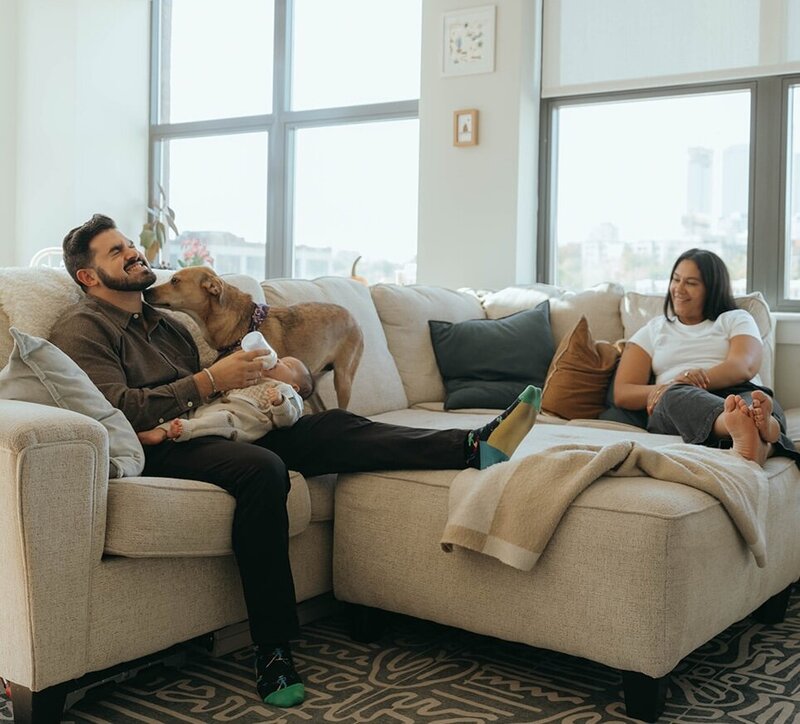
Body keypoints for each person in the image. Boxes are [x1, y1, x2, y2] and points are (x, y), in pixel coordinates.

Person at [50, 214, 542, 709]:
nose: (134, 253)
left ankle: (472, 446)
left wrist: (277, 378)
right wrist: (212, 380)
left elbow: (212, 392)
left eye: (130, 245)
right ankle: (272, 648)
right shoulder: (83, 328)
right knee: (262, 469)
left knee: (331, 427)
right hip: (157, 446)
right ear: (88, 276)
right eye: (116, 251)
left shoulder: (168, 327)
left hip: (210, 428)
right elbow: (118, 408)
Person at [614, 248, 799, 466]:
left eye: (691, 283)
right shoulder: (653, 330)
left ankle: (757, 431)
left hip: (740, 392)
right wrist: (675, 385)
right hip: (679, 401)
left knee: (759, 402)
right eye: (676, 279)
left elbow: (744, 367)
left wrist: (696, 379)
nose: (679, 289)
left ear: (712, 289)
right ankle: (745, 427)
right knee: (675, 397)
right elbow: (623, 391)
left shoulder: (735, 319)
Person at [136, 354, 311, 445]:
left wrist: (280, 403)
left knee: (218, 420)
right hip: (213, 408)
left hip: (237, 422)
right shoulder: (252, 378)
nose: (278, 360)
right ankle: (161, 431)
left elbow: (288, 421)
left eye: (288, 365)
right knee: (190, 410)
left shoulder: (285, 390)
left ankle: (184, 430)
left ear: (295, 386)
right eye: (280, 358)